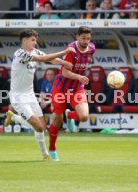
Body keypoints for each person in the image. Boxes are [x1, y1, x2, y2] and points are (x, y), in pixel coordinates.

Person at [3, 29, 74, 161]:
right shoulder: (20, 54)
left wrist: (63, 63)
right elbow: (43, 58)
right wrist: (65, 52)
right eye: (32, 40)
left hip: (30, 95)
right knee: (39, 126)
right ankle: (45, 155)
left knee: (42, 128)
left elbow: (51, 59)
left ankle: (44, 155)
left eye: (35, 40)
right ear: (24, 40)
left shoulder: (34, 51)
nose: (35, 42)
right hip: (18, 97)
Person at [48, 26, 95, 161]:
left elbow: (88, 58)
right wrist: (79, 77)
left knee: (84, 116)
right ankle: (52, 149)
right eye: (83, 38)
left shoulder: (92, 48)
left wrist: (80, 76)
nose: (86, 41)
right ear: (77, 37)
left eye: (88, 38)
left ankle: (69, 115)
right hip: (61, 87)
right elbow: (65, 72)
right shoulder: (71, 50)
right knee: (57, 121)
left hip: (77, 88)